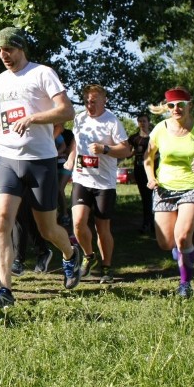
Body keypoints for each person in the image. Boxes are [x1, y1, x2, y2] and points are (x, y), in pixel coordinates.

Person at [0, 26, 80, 309]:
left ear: (21, 48)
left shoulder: (42, 73)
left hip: (40, 161)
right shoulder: (0, 81)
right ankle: (5, 289)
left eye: (9, 49)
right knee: (1, 222)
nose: (4, 55)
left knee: (47, 229)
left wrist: (33, 118)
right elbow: (3, 119)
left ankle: (70, 253)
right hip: (8, 159)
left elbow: (67, 111)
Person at [144, 87, 194, 297]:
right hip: (164, 188)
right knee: (166, 243)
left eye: (181, 104)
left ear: (190, 106)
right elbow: (148, 158)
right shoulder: (159, 129)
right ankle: (181, 252)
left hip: (192, 186)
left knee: (182, 237)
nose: (176, 109)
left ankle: (185, 284)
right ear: (167, 107)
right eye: (171, 105)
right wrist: (151, 178)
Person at [70, 84, 131, 284]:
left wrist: (105, 149)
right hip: (81, 177)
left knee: (102, 227)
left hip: (104, 183)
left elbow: (126, 150)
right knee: (78, 222)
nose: (89, 105)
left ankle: (106, 267)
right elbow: (76, 142)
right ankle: (89, 256)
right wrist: (71, 158)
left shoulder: (112, 121)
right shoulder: (79, 119)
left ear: (104, 100)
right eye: (87, 101)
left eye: (94, 101)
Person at [128, 113, 154, 234]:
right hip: (139, 169)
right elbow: (127, 153)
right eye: (140, 121)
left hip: (154, 169)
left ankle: (154, 223)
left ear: (149, 122)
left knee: (153, 196)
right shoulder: (134, 138)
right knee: (145, 197)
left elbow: (162, 151)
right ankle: (146, 223)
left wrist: (151, 156)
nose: (142, 123)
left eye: (144, 121)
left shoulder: (154, 136)